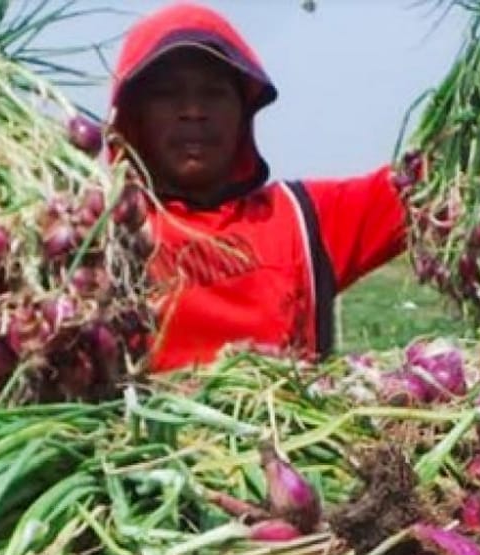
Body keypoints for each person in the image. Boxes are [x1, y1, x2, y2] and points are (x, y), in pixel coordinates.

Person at [108, 2, 408, 372]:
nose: (193, 111)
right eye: (167, 94)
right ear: (133, 116)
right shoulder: (101, 239)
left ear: (243, 111)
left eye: (214, 93)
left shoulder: (302, 217)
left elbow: (430, 183)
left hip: (286, 428)